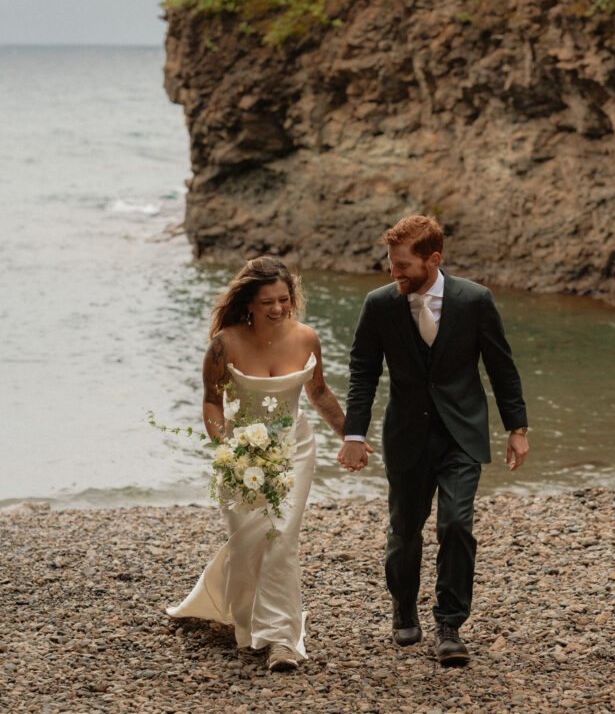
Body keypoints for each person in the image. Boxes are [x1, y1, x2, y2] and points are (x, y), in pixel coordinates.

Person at [337, 215, 529, 666]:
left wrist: (516, 429)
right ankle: (403, 606)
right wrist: (353, 433)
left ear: (433, 259)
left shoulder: (475, 300)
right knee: (405, 529)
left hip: (462, 433)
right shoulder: (380, 304)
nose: (393, 274)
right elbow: (363, 372)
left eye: (403, 266)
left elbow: (502, 367)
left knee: (457, 525)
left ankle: (449, 625)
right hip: (406, 435)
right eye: (391, 264)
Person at [166, 256, 365, 671]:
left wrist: (352, 437)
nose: (278, 308)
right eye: (268, 302)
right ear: (249, 304)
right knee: (247, 540)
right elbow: (211, 402)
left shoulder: (307, 337)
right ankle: (242, 617)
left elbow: (320, 393)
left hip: (295, 449)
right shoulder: (225, 342)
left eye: (284, 299)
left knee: (281, 538)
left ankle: (280, 640)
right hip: (242, 454)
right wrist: (227, 449)